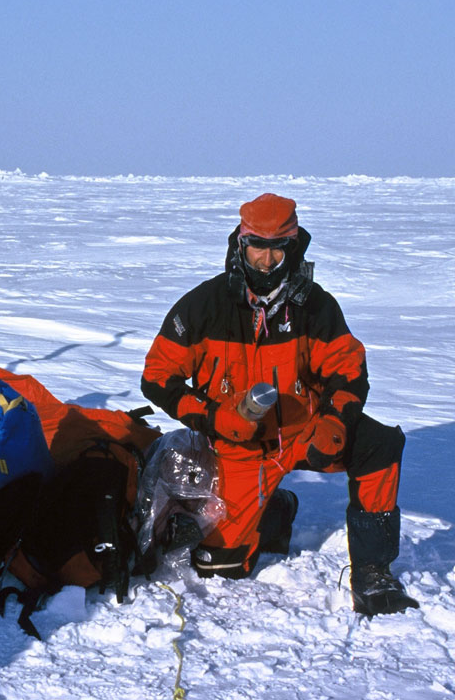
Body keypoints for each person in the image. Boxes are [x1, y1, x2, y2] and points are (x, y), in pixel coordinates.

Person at [141, 193, 419, 616]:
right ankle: (275, 509)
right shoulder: (204, 305)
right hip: (239, 445)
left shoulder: (316, 306)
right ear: (241, 245)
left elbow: (348, 370)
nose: (267, 259)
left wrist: (334, 422)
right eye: (258, 246)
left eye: (278, 248)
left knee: (378, 446)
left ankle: (373, 574)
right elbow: (157, 378)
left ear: (294, 247)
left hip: (303, 432)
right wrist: (213, 418)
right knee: (222, 567)